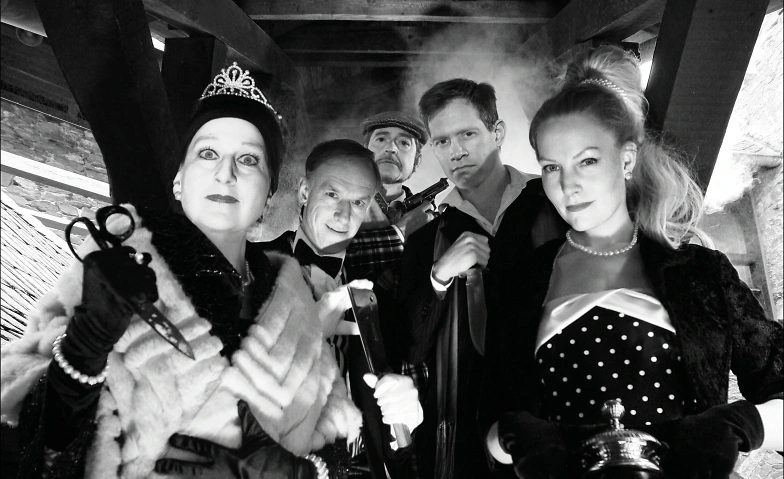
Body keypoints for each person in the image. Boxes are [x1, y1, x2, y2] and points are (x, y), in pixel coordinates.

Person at [0, 63, 362, 478]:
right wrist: (86, 342)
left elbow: (338, 437)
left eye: (248, 159)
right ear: (179, 180)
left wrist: (303, 473)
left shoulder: (293, 296)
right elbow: (33, 443)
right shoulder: (114, 262)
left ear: (268, 193)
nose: (225, 173)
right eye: (207, 154)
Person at [482, 45, 784, 479]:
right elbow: (489, 422)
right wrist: (513, 436)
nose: (568, 185)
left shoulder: (700, 273)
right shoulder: (525, 281)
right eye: (551, 167)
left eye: (587, 161)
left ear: (626, 159)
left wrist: (744, 423)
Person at [397, 79, 566, 478]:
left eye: (467, 134)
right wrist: (439, 276)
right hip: (466, 436)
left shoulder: (555, 200)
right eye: (442, 141)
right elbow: (410, 348)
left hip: (557, 417)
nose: (455, 151)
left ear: (497, 132)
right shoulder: (425, 238)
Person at [263, 139, 424, 479]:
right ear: (304, 192)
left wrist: (406, 419)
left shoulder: (379, 292)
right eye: (332, 194)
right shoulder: (252, 268)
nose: (343, 214)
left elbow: (392, 438)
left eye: (358, 202)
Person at [344, 111, 434, 285]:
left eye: (404, 143)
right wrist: (399, 234)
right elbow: (326, 258)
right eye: (381, 139)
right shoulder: (333, 202)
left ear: (417, 161)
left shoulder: (429, 218)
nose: (391, 148)